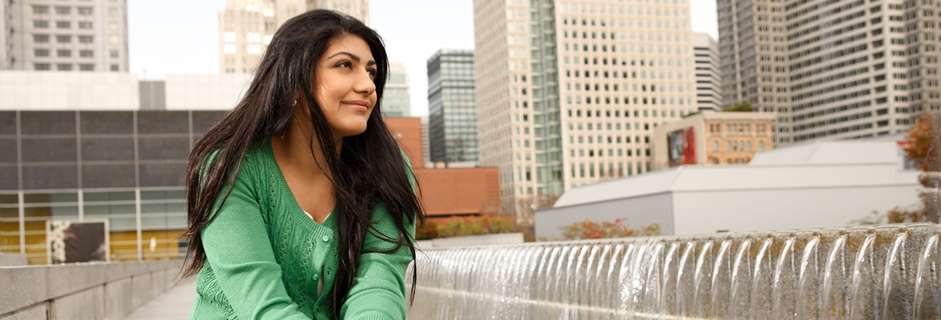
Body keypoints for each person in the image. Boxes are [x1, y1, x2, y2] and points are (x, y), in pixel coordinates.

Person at [181, 9, 422, 320]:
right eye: (345, 65)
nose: (367, 85)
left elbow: (379, 279)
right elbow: (261, 304)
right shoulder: (230, 168)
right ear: (294, 80)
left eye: (371, 71)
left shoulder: (387, 169)